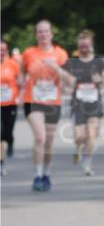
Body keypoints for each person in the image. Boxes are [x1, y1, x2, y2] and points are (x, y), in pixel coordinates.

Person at [21, 20, 72, 192]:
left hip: (52, 102)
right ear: (36, 35)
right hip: (33, 100)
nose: (43, 34)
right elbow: (22, 72)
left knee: (49, 142)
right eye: (39, 32)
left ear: (51, 34)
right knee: (40, 137)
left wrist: (55, 67)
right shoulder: (29, 53)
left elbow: (69, 79)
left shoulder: (60, 54)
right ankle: (37, 175)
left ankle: (46, 174)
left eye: (46, 31)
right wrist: (21, 85)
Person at [66, 30, 104, 176]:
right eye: (82, 47)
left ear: (91, 45)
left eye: (86, 46)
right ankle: (78, 148)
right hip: (78, 104)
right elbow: (65, 81)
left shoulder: (98, 61)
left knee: (91, 135)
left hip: (94, 103)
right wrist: (68, 88)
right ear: (78, 46)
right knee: (80, 136)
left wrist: (102, 85)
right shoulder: (72, 62)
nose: (84, 49)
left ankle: (87, 164)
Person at [1, 38, 21, 176]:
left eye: (3, 50)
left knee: (7, 131)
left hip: (10, 103)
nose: (1, 52)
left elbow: (20, 81)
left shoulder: (13, 64)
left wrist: (20, 95)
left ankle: (11, 140)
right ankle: (1, 163)